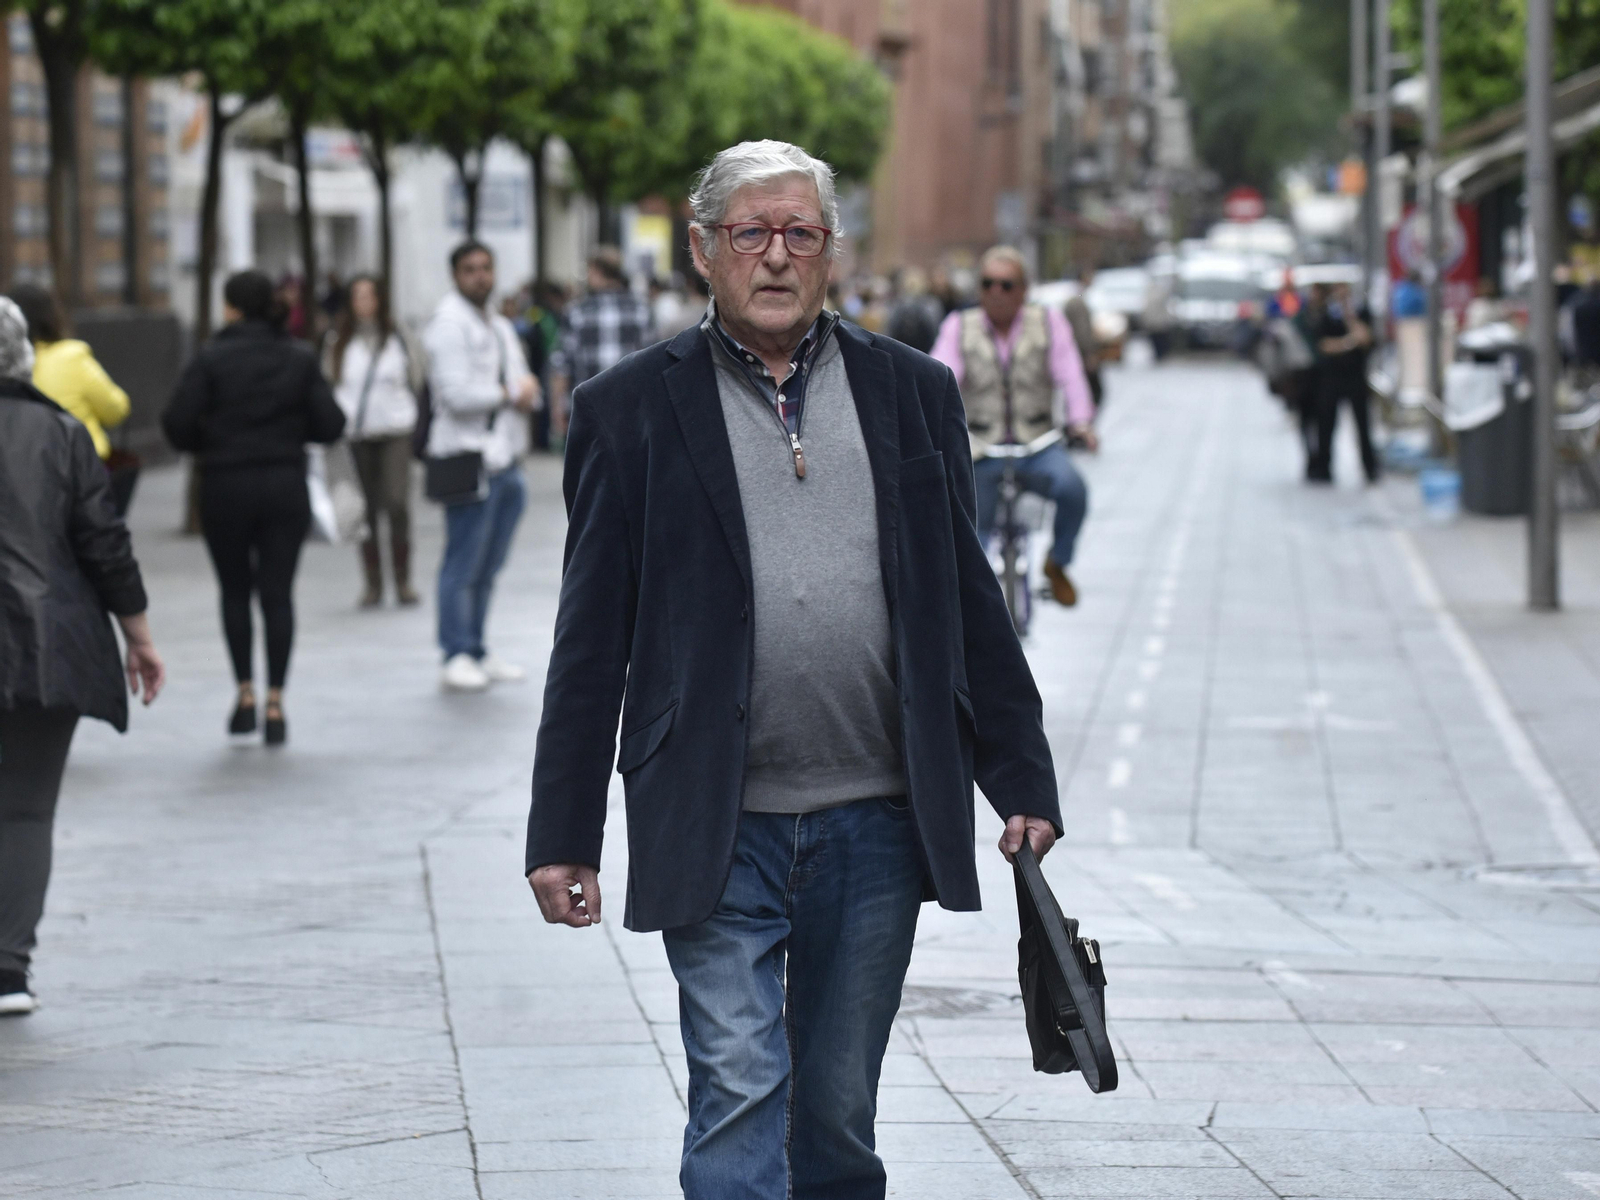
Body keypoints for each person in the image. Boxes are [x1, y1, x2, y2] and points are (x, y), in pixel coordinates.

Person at [525, 139, 1062, 1200]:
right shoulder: (626, 408)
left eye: (799, 233)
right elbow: (591, 638)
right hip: (714, 818)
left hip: (877, 817)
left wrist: (1022, 779)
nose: (775, 256)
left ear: (831, 254)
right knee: (735, 1085)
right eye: (749, 233)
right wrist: (561, 832)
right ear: (703, 252)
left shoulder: (912, 392)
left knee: (832, 1112)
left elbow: (966, 602)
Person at [0, 296, 164, 1015]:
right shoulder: (63, 433)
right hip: (46, 645)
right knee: (27, 812)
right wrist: (140, 637)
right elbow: (104, 542)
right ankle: (8, 969)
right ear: (23, 357)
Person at [162, 270, 346, 745]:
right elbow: (330, 424)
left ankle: (244, 693)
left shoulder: (210, 359)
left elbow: (177, 425)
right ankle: (276, 702)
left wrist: (215, 440)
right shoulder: (298, 358)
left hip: (225, 484)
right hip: (285, 483)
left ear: (231, 308)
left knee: (234, 590)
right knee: (279, 593)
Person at [929, 245, 1097, 607]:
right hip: (981, 447)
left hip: (1037, 445)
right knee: (975, 530)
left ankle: (1058, 562)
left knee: (1073, 490)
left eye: (1006, 285)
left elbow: (1070, 376)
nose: (996, 292)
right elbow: (940, 378)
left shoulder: (1049, 322)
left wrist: (1080, 422)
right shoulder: (959, 326)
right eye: (988, 283)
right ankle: (976, 604)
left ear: (1024, 289)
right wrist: (928, 423)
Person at [423, 240, 539, 693]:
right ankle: (454, 651)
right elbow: (455, 395)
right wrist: (511, 393)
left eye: (486, 268)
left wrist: (521, 387)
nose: (480, 276)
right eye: (470, 269)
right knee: (463, 560)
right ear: (455, 275)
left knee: (489, 563)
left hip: (505, 458)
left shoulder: (497, 322)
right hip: (467, 458)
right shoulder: (449, 324)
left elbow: (523, 375)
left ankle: (476, 646)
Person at [324, 274, 423, 607]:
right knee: (363, 510)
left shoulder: (398, 336)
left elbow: (417, 378)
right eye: (357, 296)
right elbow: (332, 383)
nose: (364, 302)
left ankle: (403, 579)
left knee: (396, 503)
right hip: (355, 435)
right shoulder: (339, 340)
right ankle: (373, 584)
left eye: (370, 295)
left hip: (395, 430)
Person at [9, 282, 130, 461]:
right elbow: (116, 409)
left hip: (22, 473)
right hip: (81, 468)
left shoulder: (8, 368)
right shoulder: (71, 357)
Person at [551, 246, 655, 415]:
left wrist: (557, 409)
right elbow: (651, 363)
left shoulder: (576, 311)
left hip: (586, 411)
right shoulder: (641, 310)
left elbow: (562, 365)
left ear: (597, 271)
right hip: (631, 411)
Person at [1308, 282, 1378, 484]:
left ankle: (1369, 467)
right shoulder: (1326, 315)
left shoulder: (1361, 312)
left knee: (1363, 424)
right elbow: (1324, 345)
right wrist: (1348, 343)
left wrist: (1350, 317)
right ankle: (1324, 467)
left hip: (1356, 376)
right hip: (1331, 378)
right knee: (1326, 424)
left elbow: (1365, 338)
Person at [1062, 266, 1105, 409]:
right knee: (1091, 393)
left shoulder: (1078, 297)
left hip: (1077, 354)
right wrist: (1089, 353)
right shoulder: (1077, 299)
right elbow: (1081, 330)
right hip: (1080, 355)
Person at [884, 267, 943, 354]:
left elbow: (889, 331)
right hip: (924, 355)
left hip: (902, 354)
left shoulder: (898, 304)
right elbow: (936, 332)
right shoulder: (931, 304)